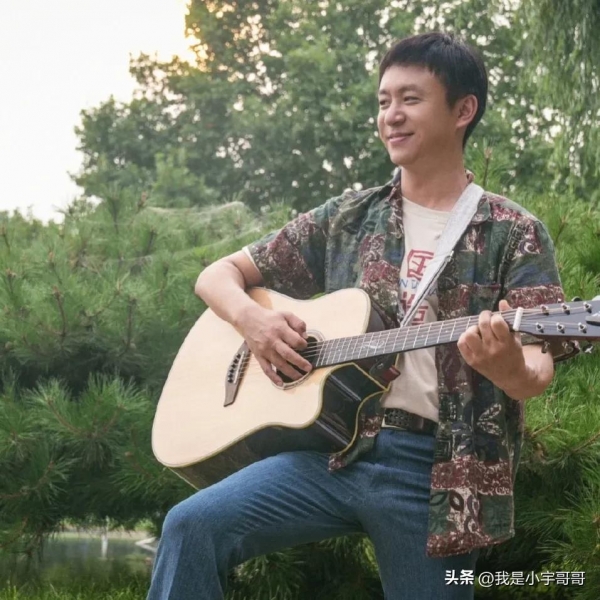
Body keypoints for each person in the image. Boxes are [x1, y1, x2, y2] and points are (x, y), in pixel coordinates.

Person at [147, 31, 565, 599]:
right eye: (384, 100)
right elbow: (216, 276)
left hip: (437, 477)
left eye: (410, 99)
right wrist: (255, 322)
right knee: (191, 525)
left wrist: (506, 367)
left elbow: (537, 372)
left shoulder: (515, 232)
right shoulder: (348, 216)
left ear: (463, 110)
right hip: (333, 453)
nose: (391, 115)